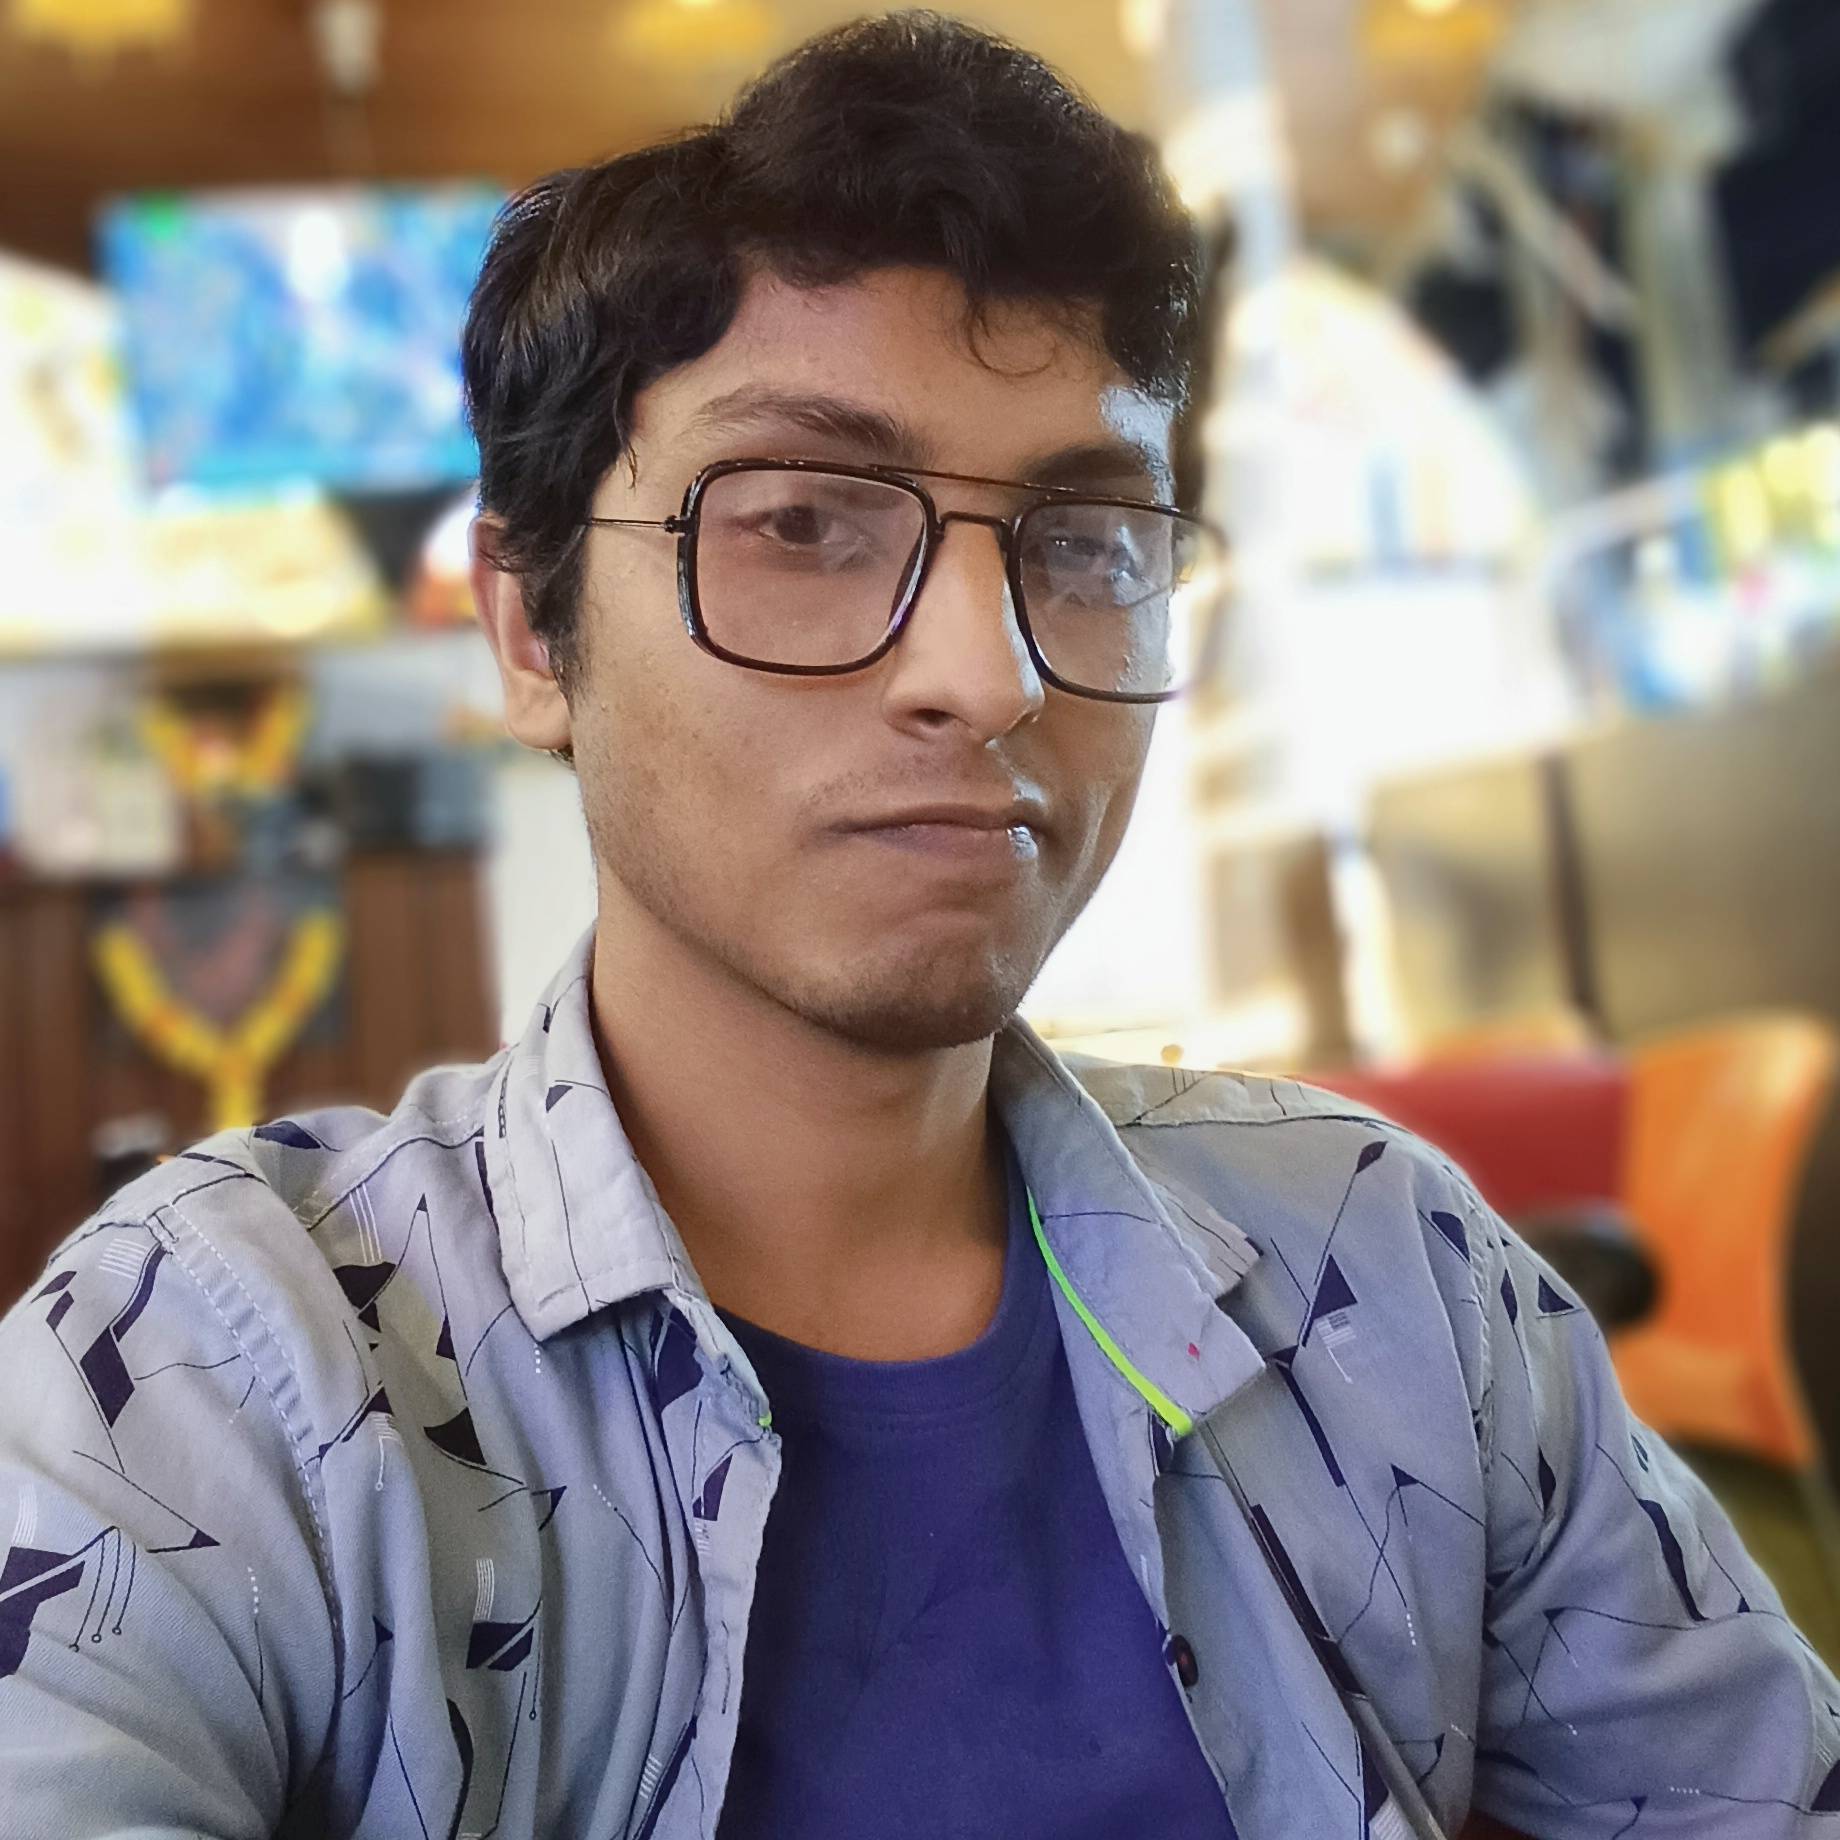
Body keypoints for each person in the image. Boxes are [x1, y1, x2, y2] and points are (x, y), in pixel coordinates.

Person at [1, 13, 1834, 1839]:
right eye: (802, 521)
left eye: (1085, 542)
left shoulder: (1389, 1273)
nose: (988, 670)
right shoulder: (215, 1377)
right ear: (531, 630)